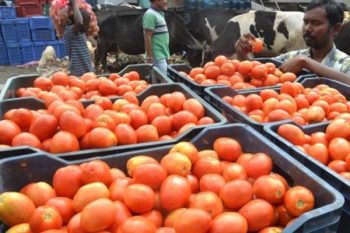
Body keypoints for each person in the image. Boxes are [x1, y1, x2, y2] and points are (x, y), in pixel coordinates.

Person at [235, 0, 350, 82]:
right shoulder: (293, 57)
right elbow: (261, 74)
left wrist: (307, 63)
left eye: (316, 23)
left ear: (335, 29)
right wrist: (244, 55)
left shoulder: (345, 63)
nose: (307, 28)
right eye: (305, 22)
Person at [64, 0, 95, 76]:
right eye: (86, 23)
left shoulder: (80, 33)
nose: (87, 26)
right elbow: (79, 22)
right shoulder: (71, 32)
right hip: (78, 72)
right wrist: (74, 3)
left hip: (87, 70)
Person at [142, 0, 170, 74]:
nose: (166, 1)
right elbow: (147, 37)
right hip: (156, 56)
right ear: (155, 1)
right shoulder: (150, 15)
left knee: (163, 80)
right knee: (163, 81)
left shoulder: (160, 13)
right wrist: (149, 57)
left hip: (162, 54)